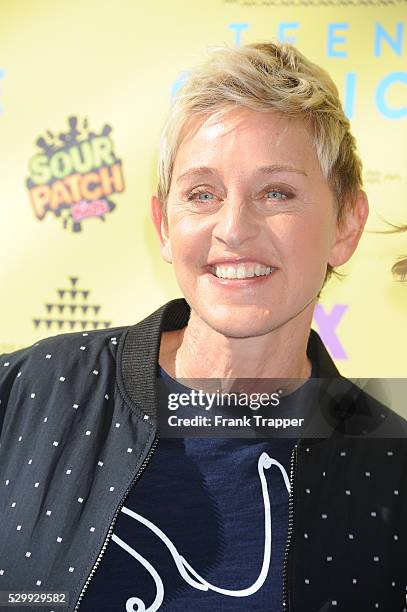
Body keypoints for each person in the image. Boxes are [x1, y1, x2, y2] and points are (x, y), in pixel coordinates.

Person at [0, 42, 406, 612]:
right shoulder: (31, 389)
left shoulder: (388, 469)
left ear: (346, 225)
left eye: (276, 193)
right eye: (202, 194)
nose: (233, 228)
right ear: (164, 225)